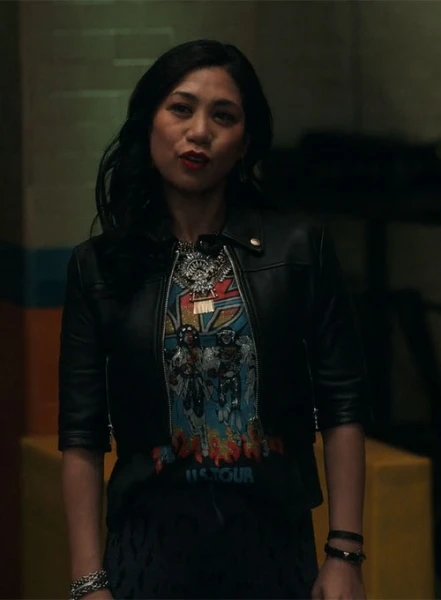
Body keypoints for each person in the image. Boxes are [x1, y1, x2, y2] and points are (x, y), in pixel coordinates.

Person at [59, 39, 370, 600]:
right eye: (181, 108)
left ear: (245, 142)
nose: (199, 131)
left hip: (274, 545)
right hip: (147, 550)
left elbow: (342, 402)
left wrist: (344, 553)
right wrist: (87, 583)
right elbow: (81, 431)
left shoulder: (299, 249)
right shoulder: (99, 267)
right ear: (148, 121)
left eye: (223, 117)